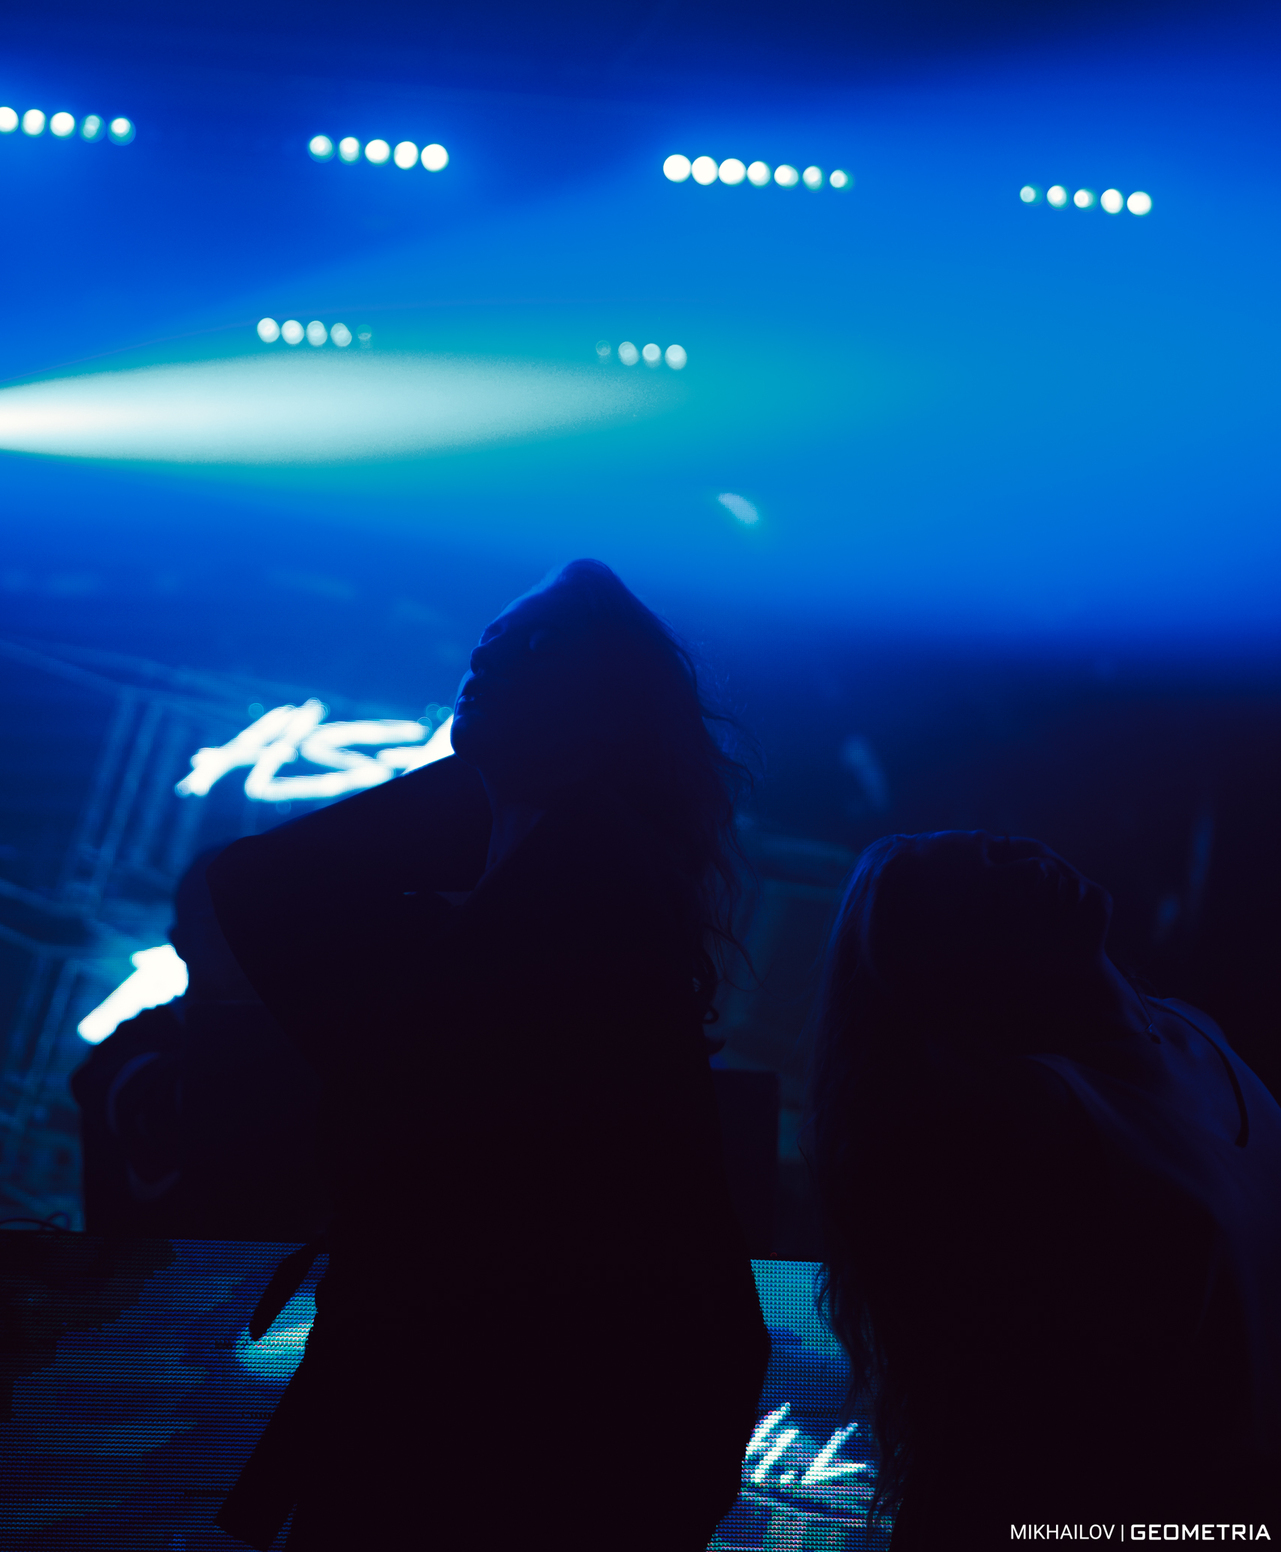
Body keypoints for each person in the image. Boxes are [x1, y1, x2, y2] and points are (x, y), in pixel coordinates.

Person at [209, 559, 770, 1552]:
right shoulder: (572, 898)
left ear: (611, 716)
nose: (487, 656)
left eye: (537, 645)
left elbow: (263, 889)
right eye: (490, 640)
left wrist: (490, 789)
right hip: (507, 1416)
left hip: (496, 1423)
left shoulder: (583, 901)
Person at [806, 831, 1281, 1542]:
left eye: (1004, 846)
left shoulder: (1193, 1024)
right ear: (949, 956)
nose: (1027, 861)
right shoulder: (1027, 1115)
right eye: (978, 885)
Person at [70, 848, 328, 1240]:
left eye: (261, 923)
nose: (243, 942)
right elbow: (168, 1117)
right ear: (182, 941)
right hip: (166, 1279)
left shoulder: (318, 1037)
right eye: (221, 926)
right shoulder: (128, 1049)